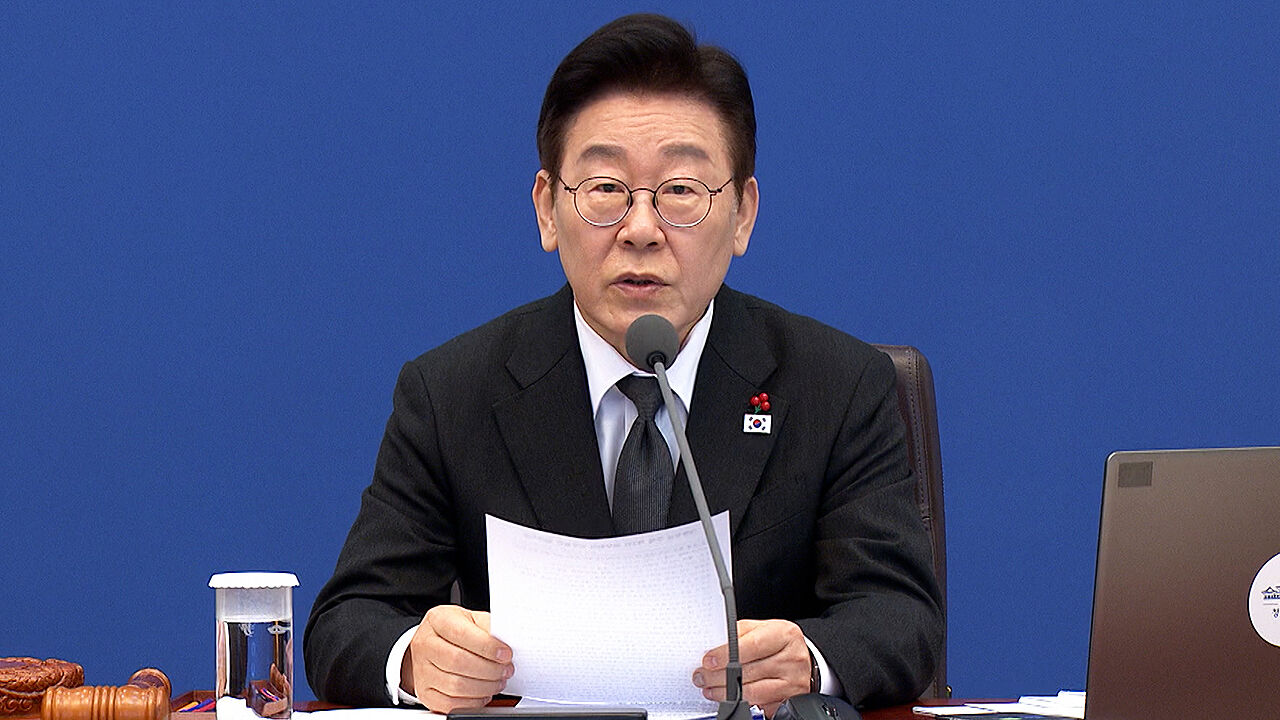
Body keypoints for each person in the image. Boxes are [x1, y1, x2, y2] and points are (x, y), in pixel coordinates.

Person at [304, 13, 943, 716]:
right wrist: (415, 659)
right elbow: (346, 625)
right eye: (606, 189)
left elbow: (902, 617)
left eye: (681, 191)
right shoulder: (452, 393)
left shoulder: (837, 386)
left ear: (742, 215)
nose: (641, 230)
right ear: (548, 210)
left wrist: (809, 659)